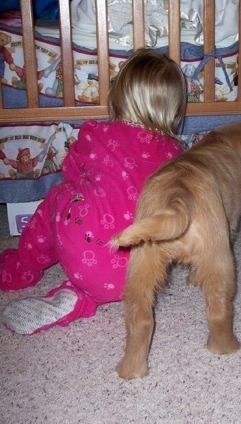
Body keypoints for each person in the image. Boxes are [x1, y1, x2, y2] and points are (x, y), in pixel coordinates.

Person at [0, 48, 187, 334]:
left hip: (88, 258)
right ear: (173, 110)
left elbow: (71, 171)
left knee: (60, 196)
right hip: (147, 275)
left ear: (118, 96)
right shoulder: (176, 153)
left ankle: (25, 267)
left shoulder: (97, 135)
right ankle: (83, 298)